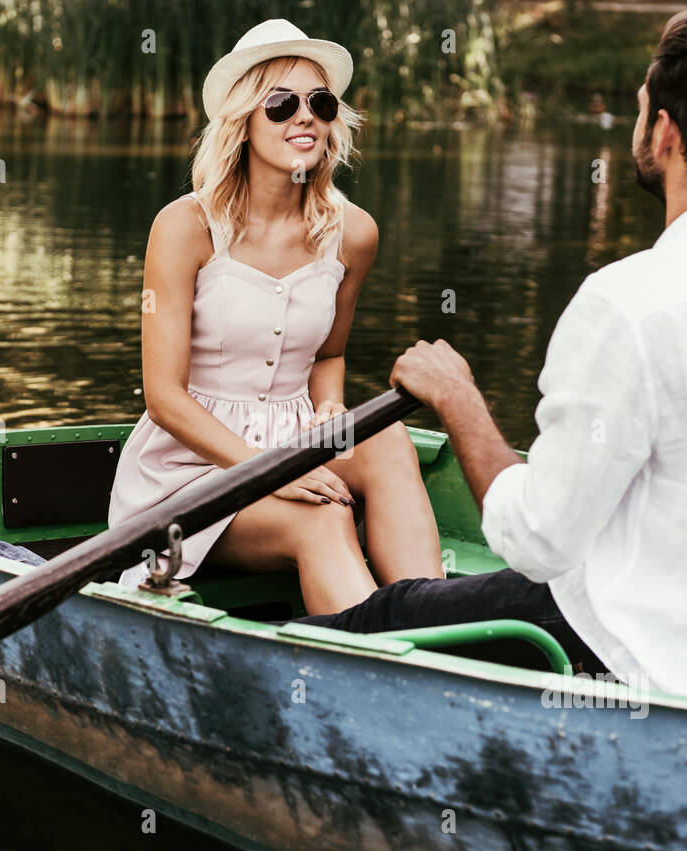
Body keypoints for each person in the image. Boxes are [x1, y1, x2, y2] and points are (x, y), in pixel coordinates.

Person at [290, 6, 687, 719]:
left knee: (362, 625)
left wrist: (460, 402)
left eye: (642, 109)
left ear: (664, 133)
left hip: (646, 666)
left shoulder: (627, 301)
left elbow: (539, 542)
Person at [108, 19, 444, 615]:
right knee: (322, 520)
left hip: (296, 439)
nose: (305, 116)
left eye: (320, 102)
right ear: (242, 120)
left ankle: (436, 616)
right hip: (190, 470)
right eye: (282, 104)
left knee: (389, 439)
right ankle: (387, 671)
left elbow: (329, 356)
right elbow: (163, 395)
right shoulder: (185, 228)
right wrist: (271, 472)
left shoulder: (353, 234)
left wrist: (329, 409)